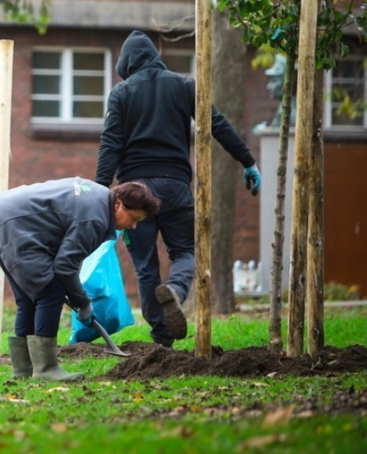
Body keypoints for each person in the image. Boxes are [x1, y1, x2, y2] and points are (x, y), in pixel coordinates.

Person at [96, 30, 262, 347]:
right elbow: (217, 123)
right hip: (175, 187)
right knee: (186, 251)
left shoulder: (121, 93)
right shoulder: (184, 85)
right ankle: (176, 289)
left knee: (146, 265)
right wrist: (247, 161)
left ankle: (161, 338)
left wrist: (100, 189)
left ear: (127, 64)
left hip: (133, 193)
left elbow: (110, 144)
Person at [0, 178, 160, 381]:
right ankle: (45, 370)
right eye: (133, 218)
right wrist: (83, 302)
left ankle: (23, 370)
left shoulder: (99, 198)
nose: (134, 226)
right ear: (118, 203)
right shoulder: (95, 218)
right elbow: (65, 266)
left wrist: (78, 297)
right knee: (51, 293)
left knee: (29, 298)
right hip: (16, 222)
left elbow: (65, 258)